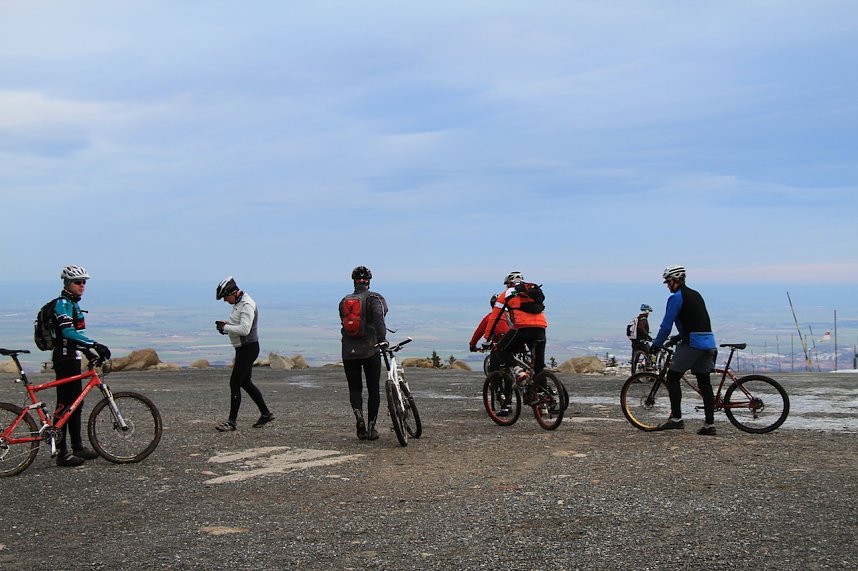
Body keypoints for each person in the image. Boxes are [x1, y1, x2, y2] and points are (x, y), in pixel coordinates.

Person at [51, 265, 111, 467]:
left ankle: (77, 447)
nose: (82, 286)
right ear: (67, 284)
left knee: (76, 404)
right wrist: (94, 344)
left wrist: (88, 352)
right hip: (64, 357)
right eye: (78, 282)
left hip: (73, 356)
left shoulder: (73, 304)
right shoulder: (62, 304)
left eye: (84, 282)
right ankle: (61, 453)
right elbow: (67, 333)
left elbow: (78, 336)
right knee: (64, 404)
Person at [649, 265, 718, 436]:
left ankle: (676, 419)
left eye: (668, 282)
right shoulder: (696, 294)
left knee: (672, 377)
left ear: (674, 280)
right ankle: (709, 425)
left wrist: (656, 345)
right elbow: (696, 320)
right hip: (708, 342)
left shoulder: (676, 298)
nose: (667, 285)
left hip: (692, 344)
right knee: (704, 383)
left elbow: (666, 325)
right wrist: (677, 337)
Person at [214, 276, 274, 432]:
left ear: (232, 293)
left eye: (225, 297)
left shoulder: (247, 305)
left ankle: (232, 422)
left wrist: (226, 328)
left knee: (235, 383)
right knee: (245, 383)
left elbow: (245, 329)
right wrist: (226, 326)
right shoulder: (239, 303)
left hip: (248, 348)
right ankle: (266, 413)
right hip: (243, 348)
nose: (225, 301)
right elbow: (239, 326)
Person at [338, 266, 388, 441]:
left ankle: (359, 418)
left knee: (355, 388)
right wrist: (382, 340)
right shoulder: (375, 298)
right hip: (370, 349)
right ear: (369, 281)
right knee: (373, 389)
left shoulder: (345, 300)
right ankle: (372, 427)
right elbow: (381, 319)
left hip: (348, 351)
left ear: (353, 281)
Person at [484, 271, 548, 400]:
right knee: (538, 365)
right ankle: (543, 397)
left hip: (522, 328)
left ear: (508, 283)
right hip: (541, 328)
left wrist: (486, 339)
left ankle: (518, 371)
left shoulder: (507, 293)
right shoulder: (531, 291)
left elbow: (494, 318)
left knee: (501, 349)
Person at [469, 294, 511, 372]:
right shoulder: (511, 316)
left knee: (494, 367)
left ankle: (495, 382)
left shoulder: (489, 318)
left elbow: (478, 333)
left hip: (497, 345)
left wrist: (472, 345)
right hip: (513, 341)